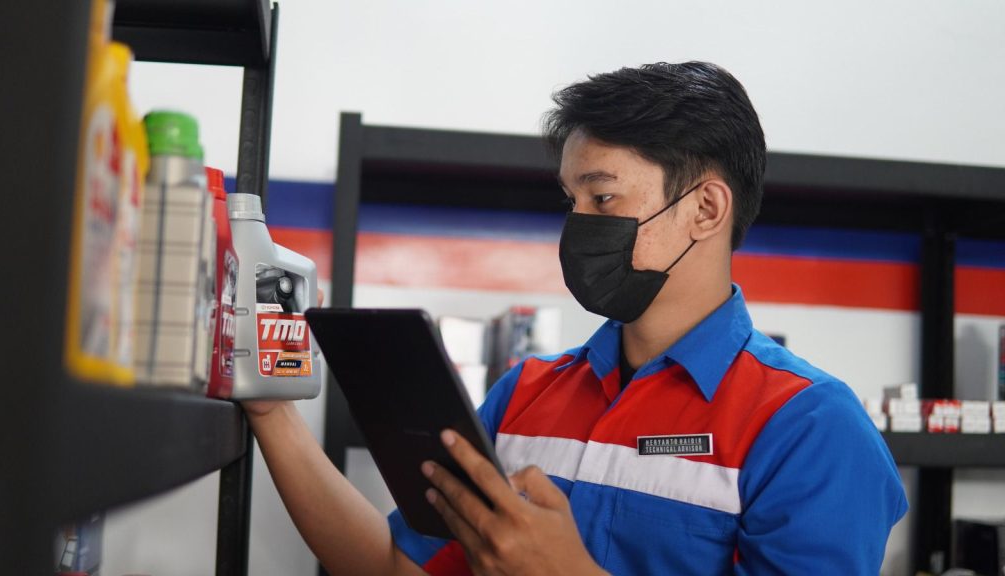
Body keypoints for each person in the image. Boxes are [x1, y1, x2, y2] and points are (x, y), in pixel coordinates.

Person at [246, 61, 907, 575]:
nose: (577, 226)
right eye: (571, 201)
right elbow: (394, 566)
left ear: (706, 210)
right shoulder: (524, 394)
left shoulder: (811, 429)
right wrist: (269, 410)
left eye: (603, 197)